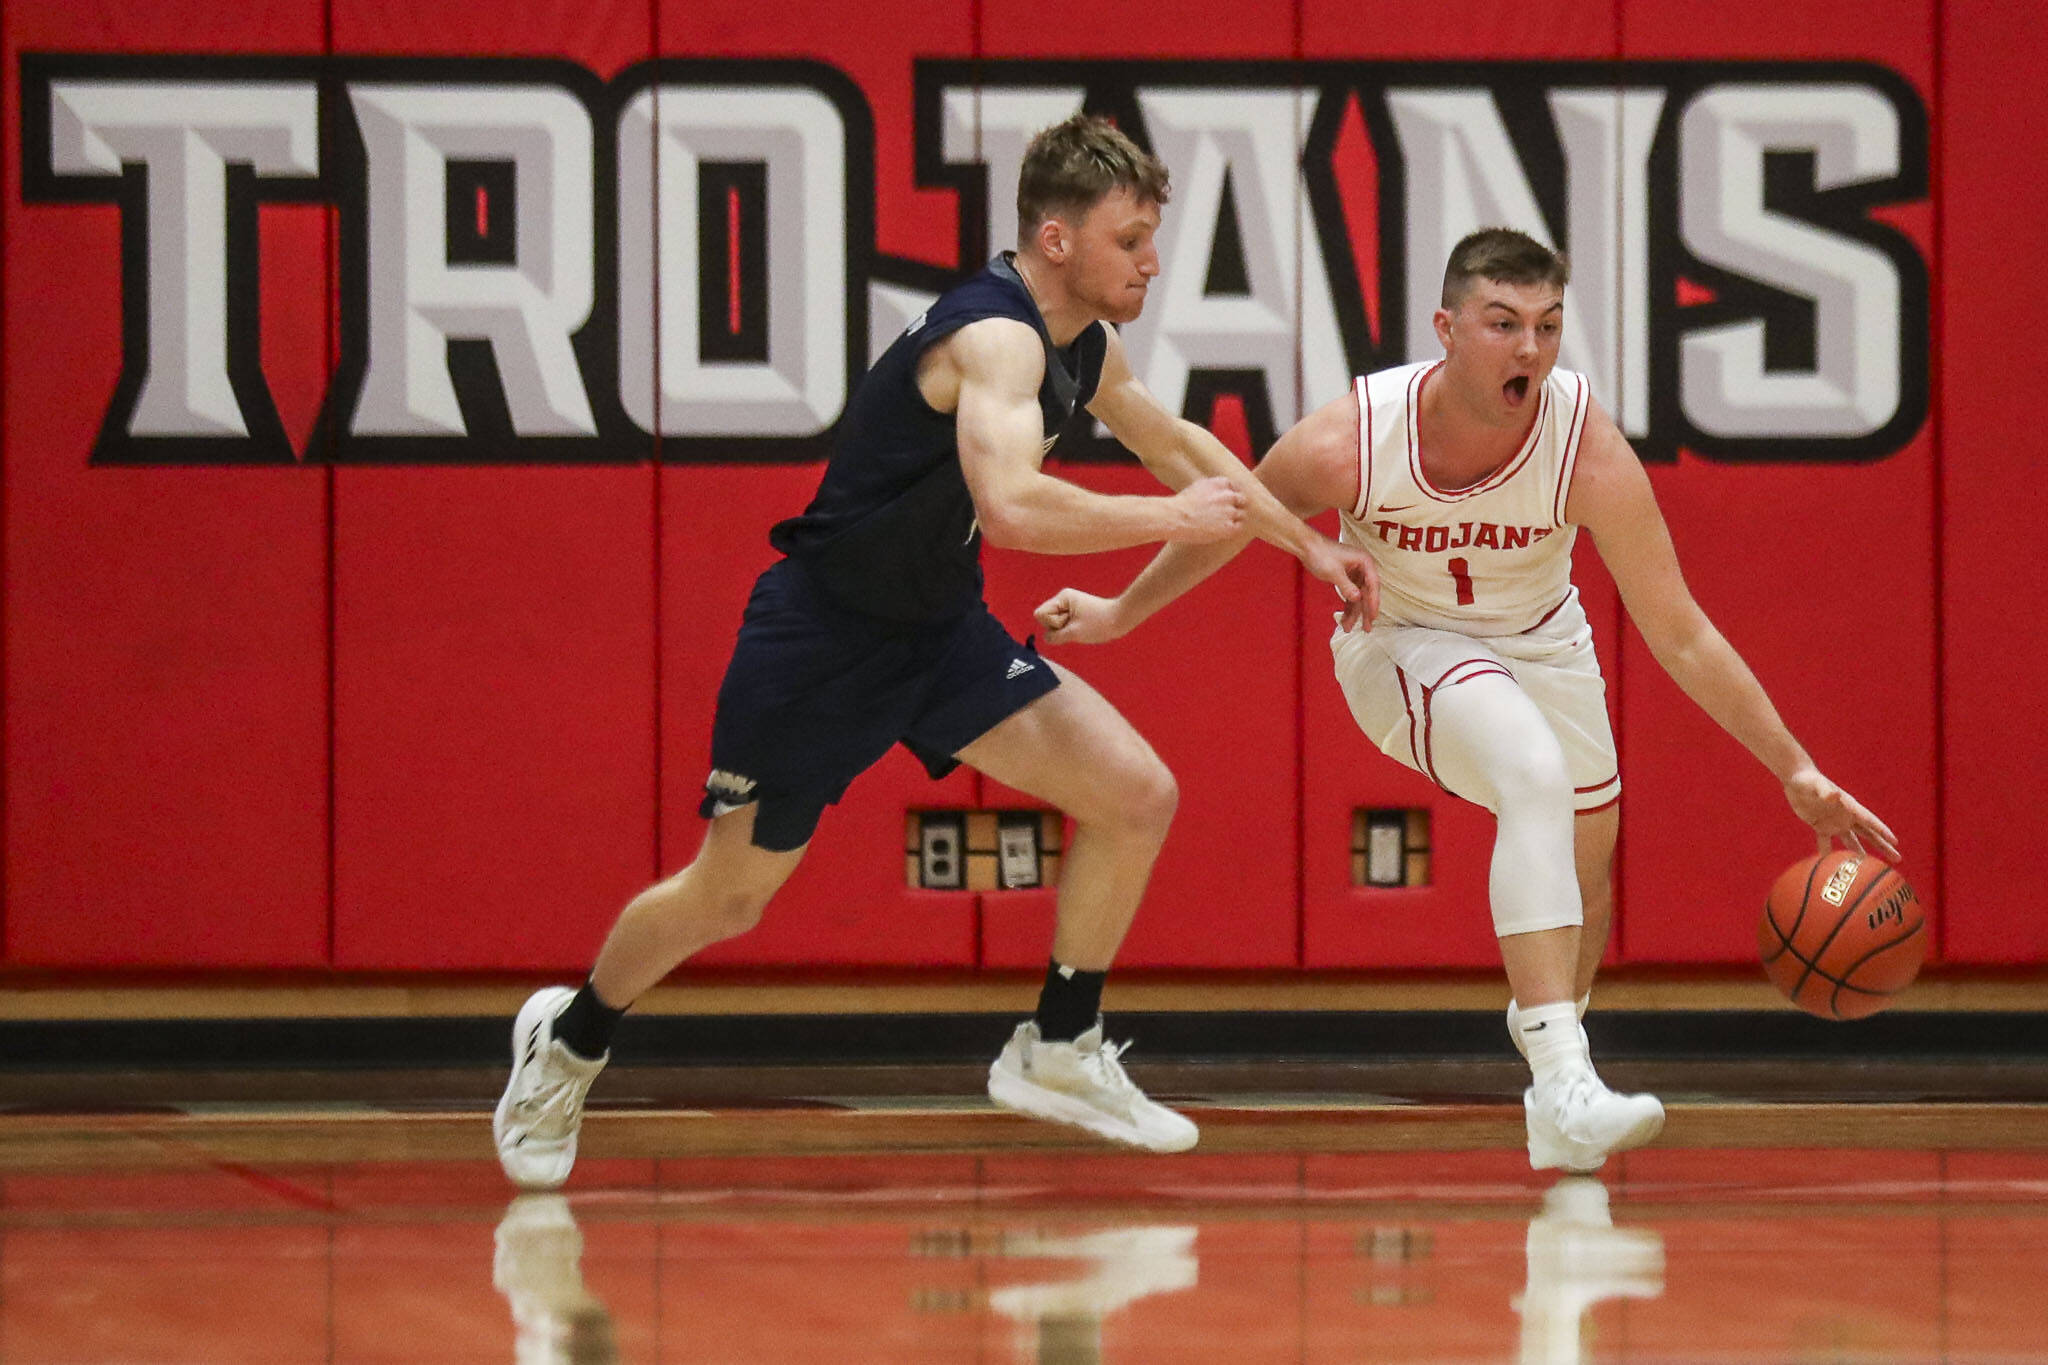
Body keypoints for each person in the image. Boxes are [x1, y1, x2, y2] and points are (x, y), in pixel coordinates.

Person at [492, 115, 1377, 1188]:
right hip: (821, 636)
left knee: (1135, 794)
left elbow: (1177, 445)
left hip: (936, 632)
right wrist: (1168, 522)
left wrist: (1308, 549)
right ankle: (571, 1039)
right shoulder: (993, 338)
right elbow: (1007, 506)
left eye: (1151, 237)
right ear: (1055, 241)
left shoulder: (1082, 345)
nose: (1151, 261)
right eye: (1129, 240)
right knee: (729, 897)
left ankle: (1059, 1042)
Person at [1033, 227, 1898, 1173]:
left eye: (1547, 325)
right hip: (1400, 643)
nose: (1529, 348)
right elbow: (1233, 520)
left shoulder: (1583, 445)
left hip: (1547, 643)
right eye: (1503, 323)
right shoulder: (1355, 438)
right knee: (1533, 773)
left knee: (1585, 865)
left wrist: (1794, 766)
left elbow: (1681, 629)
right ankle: (1569, 1075)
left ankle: (1551, 1095)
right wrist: (1121, 611)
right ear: (1447, 328)